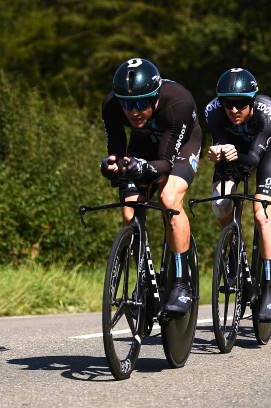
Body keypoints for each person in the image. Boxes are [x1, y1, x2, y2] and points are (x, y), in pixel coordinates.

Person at [100, 58, 202, 315]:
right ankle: (144, 279)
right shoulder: (111, 105)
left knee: (169, 198)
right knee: (129, 210)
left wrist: (143, 169)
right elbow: (116, 149)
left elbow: (165, 164)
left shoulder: (178, 103)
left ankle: (181, 281)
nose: (134, 111)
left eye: (141, 103)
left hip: (180, 146)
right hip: (144, 143)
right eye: (127, 104)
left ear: (155, 97)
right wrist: (114, 165)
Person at [205, 68, 271, 321]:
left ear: (252, 101)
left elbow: (253, 159)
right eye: (228, 104)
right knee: (219, 202)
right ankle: (233, 254)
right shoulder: (213, 112)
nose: (234, 110)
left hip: (268, 150)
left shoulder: (268, 114)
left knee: (261, 214)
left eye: (241, 104)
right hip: (234, 149)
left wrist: (233, 153)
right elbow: (220, 142)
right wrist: (217, 153)